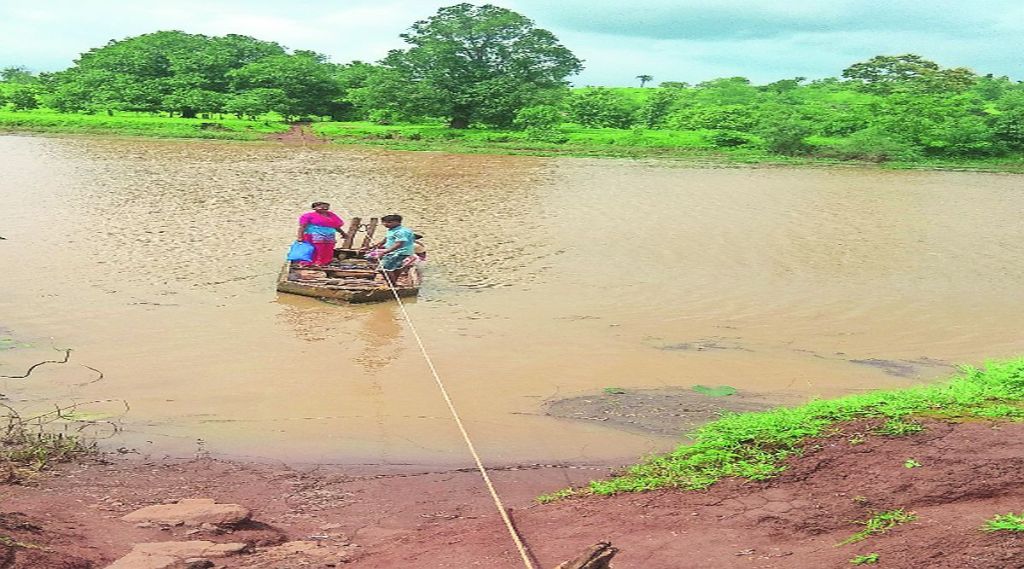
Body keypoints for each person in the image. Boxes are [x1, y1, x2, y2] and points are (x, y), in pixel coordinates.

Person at [365, 214, 416, 285]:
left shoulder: (400, 232)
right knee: (396, 267)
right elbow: (386, 239)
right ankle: (393, 281)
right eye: (384, 222)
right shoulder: (392, 229)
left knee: (383, 269)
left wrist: (386, 251)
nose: (385, 224)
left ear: (398, 222)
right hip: (400, 252)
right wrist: (376, 246)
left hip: (398, 252)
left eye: (389, 222)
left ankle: (392, 284)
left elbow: (399, 243)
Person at [296, 202, 347, 267]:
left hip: (329, 234)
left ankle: (324, 262)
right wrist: (300, 236)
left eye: (326, 207)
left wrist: (343, 233)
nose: (324, 208)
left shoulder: (331, 215)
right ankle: (313, 262)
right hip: (315, 235)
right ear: (314, 208)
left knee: (328, 248)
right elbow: (302, 226)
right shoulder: (308, 216)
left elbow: (336, 226)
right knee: (317, 248)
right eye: (322, 207)